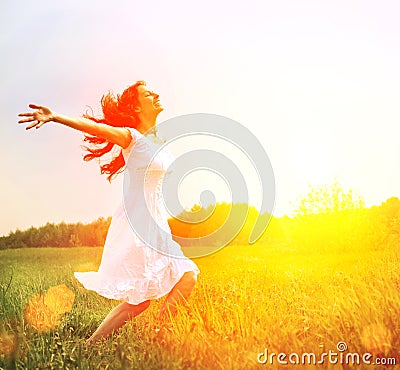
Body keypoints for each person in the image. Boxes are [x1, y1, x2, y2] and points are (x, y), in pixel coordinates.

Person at [18, 81, 200, 344]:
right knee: (157, 291)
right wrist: (55, 116)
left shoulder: (157, 141)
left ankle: (151, 335)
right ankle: (124, 340)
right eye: (148, 94)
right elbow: (97, 128)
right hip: (140, 225)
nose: (157, 94)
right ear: (136, 106)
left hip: (157, 223)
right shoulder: (130, 137)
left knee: (165, 287)